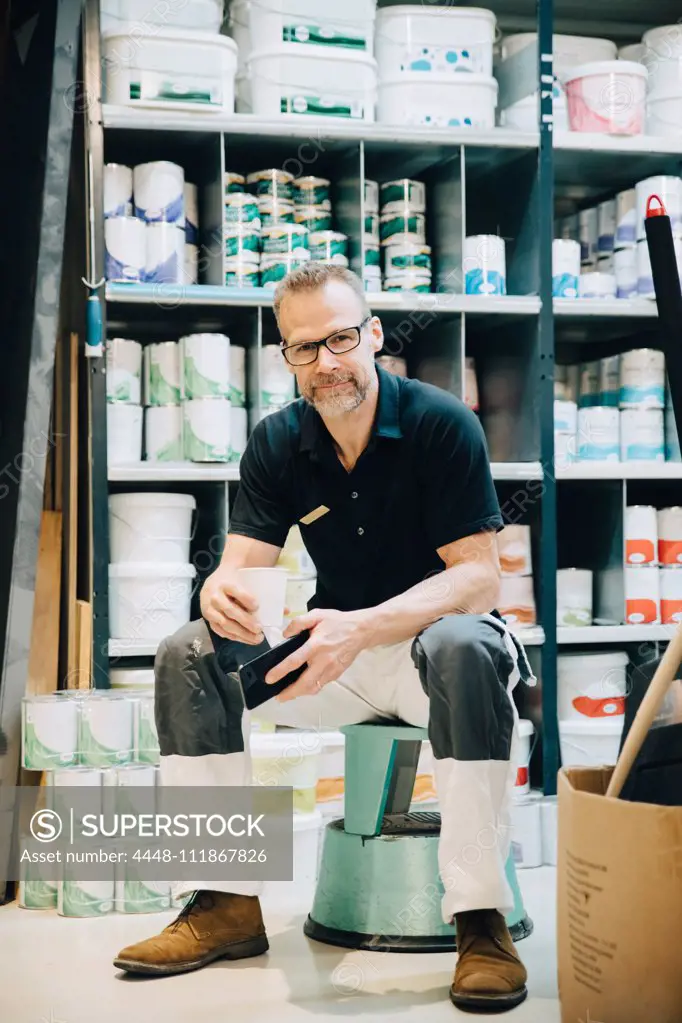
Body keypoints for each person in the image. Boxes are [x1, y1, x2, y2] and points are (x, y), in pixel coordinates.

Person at [114, 263, 535, 1013]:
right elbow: (241, 572)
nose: (326, 362)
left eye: (341, 338)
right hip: (333, 658)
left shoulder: (441, 424)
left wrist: (363, 627)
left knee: (461, 644)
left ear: (374, 336)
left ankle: (480, 915)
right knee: (187, 653)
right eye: (304, 347)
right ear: (286, 356)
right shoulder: (278, 441)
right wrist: (217, 591)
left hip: (434, 653)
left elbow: (477, 582)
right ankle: (223, 901)